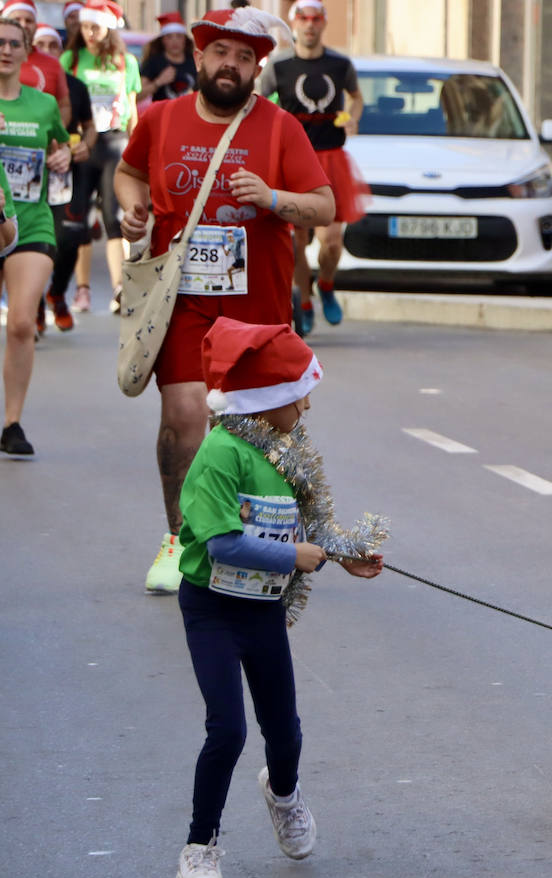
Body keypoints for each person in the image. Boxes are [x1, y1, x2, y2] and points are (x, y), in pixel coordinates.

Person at [114, 7, 334, 593]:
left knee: (251, 432)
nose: (230, 65)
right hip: (184, 302)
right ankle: (180, 540)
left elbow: (324, 205)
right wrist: (133, 210)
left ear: (257, 68)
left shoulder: (280, 127)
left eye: (243, 57)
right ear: (199, 56)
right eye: (220, 53)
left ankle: (258, 542)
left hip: (257, 307)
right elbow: (128, 174)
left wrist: (272, 197)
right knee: (183, 417)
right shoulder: (160, 119)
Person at [171, 316, 384, 878]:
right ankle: (199, 848)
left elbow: (304, 527)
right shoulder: (220, 454)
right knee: (227, 730)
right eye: (298, 396)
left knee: (284, 731)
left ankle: (284, 794)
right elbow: (223, 544)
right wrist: (295, 557)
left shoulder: (286, 452)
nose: (306, 407)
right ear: (264, 400)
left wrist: (343, 554)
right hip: (212, 609)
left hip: (261, 609)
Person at [259, 0, 366, 334]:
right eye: (303, 18)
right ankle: (303, 302)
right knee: (295, 242)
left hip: (330, 157)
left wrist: (353, 119)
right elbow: (257, 103)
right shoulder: (278, 66)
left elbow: (357, 97)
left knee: (331, 241)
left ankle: (327, 284)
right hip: (290, 161)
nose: (309, 24)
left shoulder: (340, 64)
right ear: (293, 23)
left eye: (316, 19)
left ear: (323, 23)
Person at [0, 15, 70, 456]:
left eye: (14, 43)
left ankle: (12, 423)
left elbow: (63, 145)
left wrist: (64, 156)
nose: (5, 50)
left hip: (32, 221)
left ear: (27, 52)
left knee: (22, 322)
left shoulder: (43, 105)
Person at [59, 0, 139, 314]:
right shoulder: (70, 59)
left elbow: (132, 109)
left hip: (114, 144)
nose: (89, 32)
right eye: (85, 26)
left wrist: (138, 153)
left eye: (95, 26)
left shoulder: (125, 62)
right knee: (78, 219)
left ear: (108, 28)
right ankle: (82, 290)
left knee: (114, 219)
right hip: (81, 145)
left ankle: (121, 288)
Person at [37, 23, 94, 332]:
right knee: (34, 239)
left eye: (53, 46)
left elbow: (90, 126)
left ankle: (57, 292)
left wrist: (86, 145)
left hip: (68, 171)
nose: (47, 51)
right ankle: (33, 306)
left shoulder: (75, 85)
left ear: (61, 52)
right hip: (31, 174)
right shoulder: (21, 84)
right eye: (40, 45)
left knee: (71, 237)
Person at [3, 1, 70, 127]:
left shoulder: (53, 64)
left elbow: (64, 106)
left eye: (29, 21)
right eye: (17, 19)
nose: (23, 25)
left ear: (35, 25)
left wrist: (54, 132)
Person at [138, 12, 196, 105]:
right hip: (161, 112)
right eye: (169, 37)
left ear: (185, 39)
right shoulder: (154, 62)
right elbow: (137, 96)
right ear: (163, 40)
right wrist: (158, 82)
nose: (175, 41)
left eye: (179, 36)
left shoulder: (195, 62)